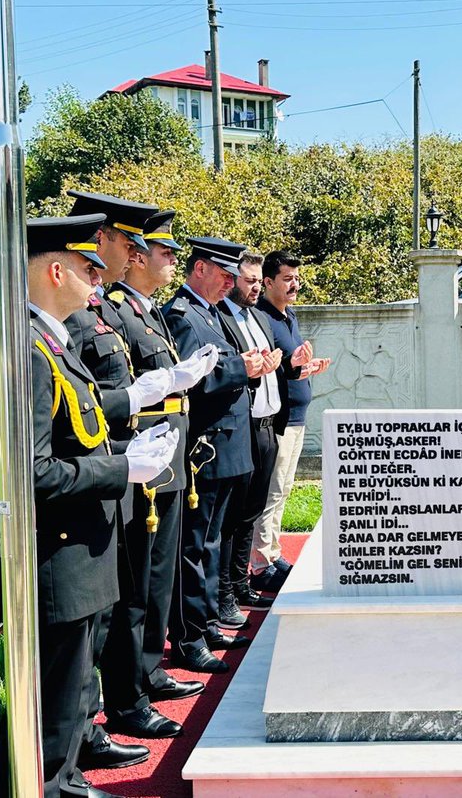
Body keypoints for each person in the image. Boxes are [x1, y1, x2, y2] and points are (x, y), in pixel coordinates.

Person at [0, 214, 178, 798]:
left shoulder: (48, 342)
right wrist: (122, 469)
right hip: (52, 553)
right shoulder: (22, 353)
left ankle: (63, 780)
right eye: (90, 269)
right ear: (56, 271)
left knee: (67, 692)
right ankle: (48, 787)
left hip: (78, 549)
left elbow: (74, 438)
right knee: (48, 699)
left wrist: (126, 450)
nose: (98, 280)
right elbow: (29, 475)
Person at [62, 193, 189, 754]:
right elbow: (79, 407)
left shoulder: (104, 311)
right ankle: (97, 719)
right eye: (128, 243)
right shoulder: (77, 315)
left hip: (123, 463)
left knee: (130, 592)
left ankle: (122, 700)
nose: (135, 254)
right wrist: (135, 405)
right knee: (104, 610)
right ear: (103, 240)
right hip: (98, 472)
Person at [110, 210, 214, 706]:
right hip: (141, 452)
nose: (173, 259)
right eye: (164, 251)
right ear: (135, 259)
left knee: (160, 575)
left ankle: (151, 669)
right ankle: (129, 687)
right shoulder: (117, 311)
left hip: (168, 452)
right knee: (138, 580)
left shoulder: (148, 311)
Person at [162, 237, 269, 674]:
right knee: (195, 544)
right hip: (207, 447)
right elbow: (195, 378)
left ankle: (205, 624)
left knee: (211, 543)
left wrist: (250, 366)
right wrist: (242, 367)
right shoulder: (182, 314)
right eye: (224, 274)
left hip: (228, 444)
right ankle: (189, 636)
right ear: (200, 268)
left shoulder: (210, 312)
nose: (230, 283)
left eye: (232, 276)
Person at [251, 250, 331, 595]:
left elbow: (289, 366)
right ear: (268, 282)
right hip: (278, 419)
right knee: (271, 490)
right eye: (287, 279)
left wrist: (305, 367)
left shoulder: (289, 315)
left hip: (297, 417)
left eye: (296, 278)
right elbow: (266, 369)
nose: (294, 284)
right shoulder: (261, 318)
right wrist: (291, 366)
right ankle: (260, 563)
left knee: (283, 489)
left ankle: (273, 551)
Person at [216, 250, 283, 624]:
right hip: (242, 428)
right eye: (250, 280)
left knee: (251, 513)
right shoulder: (222, 317)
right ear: (232, 280)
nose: (256, 287)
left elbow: (270, 368)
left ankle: (241, 583)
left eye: (259, 281)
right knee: (233, 517)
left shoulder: (259, 317)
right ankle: (224, 592)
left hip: (267, 425)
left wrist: (289, 366)